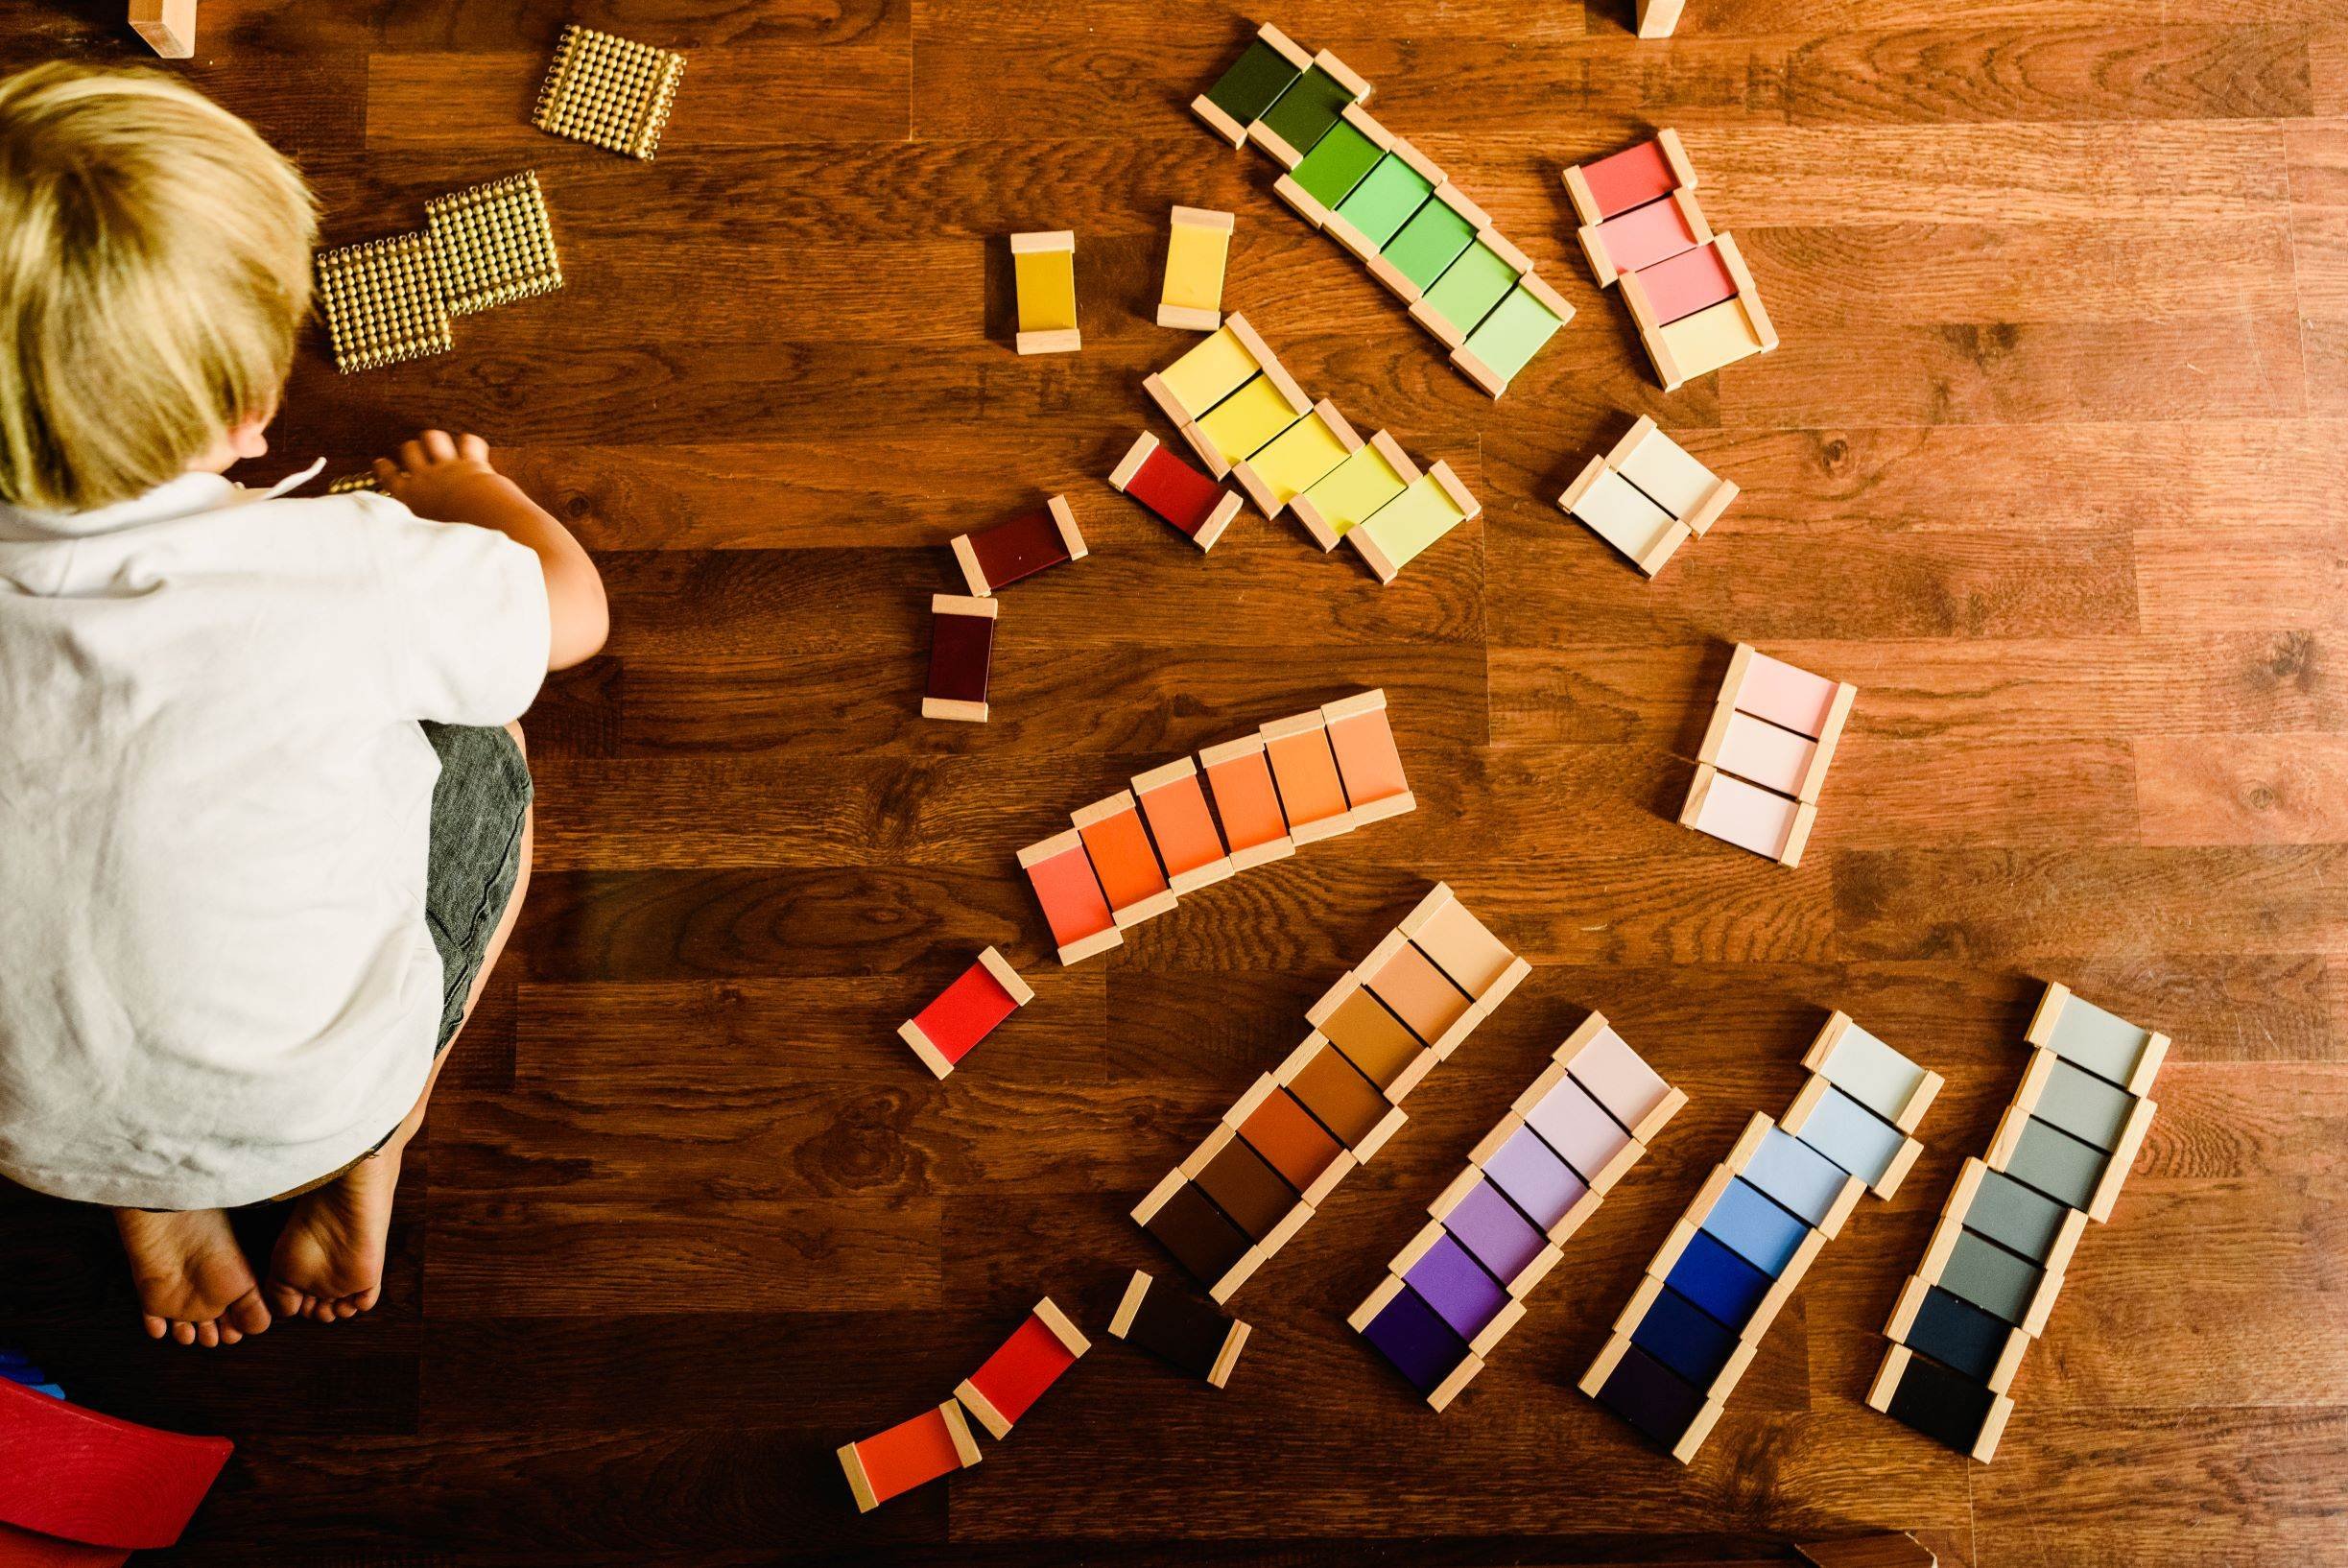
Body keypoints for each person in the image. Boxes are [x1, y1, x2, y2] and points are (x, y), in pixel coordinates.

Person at [0, 62, 608, 1346]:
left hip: (31, 1130)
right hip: (308, 1096)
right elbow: (573, 614)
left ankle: (140, 1193)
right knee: (490, 752)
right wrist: (465, 494)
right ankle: (381, 1138)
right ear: (250, 413)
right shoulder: (354, 565)